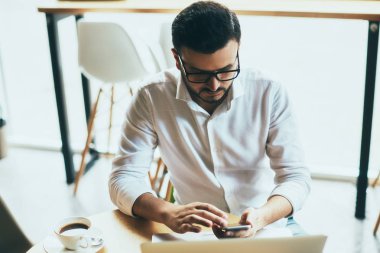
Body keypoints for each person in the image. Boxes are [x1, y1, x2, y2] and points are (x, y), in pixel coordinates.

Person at [109, 1, 311, 238]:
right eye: (199, 74)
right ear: (177, 59)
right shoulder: (152, 96)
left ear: (238, 50)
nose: (215, 85)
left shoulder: (269, 91)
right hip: (192, 231)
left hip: (266, 225)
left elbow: (296, 178)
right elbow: (123, 177)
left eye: (226, 70)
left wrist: (261, 217)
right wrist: (167, 212)